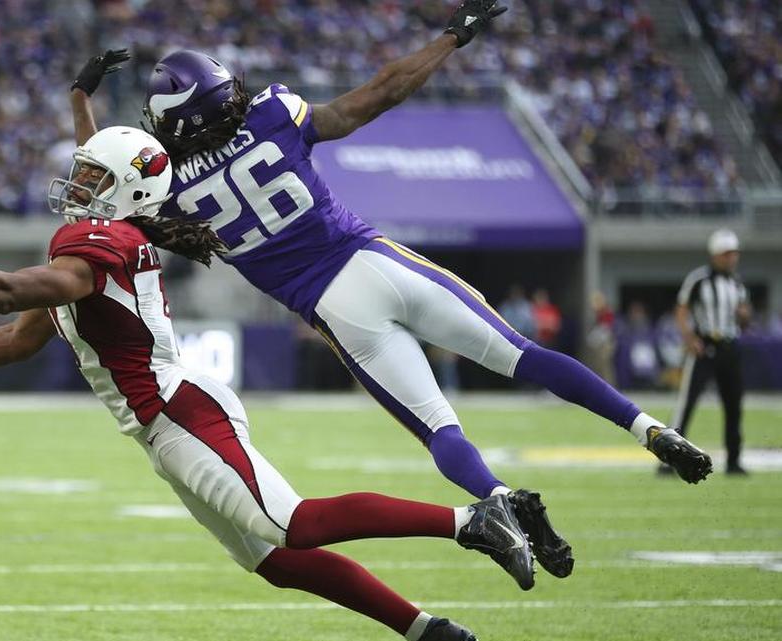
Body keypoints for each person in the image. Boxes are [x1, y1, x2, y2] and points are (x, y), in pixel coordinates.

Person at [70, 0, 714, 579]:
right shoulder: (269, 114)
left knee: (440, 429)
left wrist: (82, 101)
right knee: (523, 355)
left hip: (335, 311)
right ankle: (647, 427)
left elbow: (107, 185)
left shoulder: (170, 190)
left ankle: (500, 502)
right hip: (376, 264)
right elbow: (375, 95)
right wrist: (451, 38)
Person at [0, 126, 539, 641]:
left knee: (294, 522)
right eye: (79, 173)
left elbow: (3, 292)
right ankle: (429, 631)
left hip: (180, 412)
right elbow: (22, 333)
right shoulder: (97, 241)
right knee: (277, 561)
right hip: (163, 423)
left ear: (127, 192)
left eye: (91, 177)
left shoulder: (97, 245)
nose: (76, 186)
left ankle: (471, 520)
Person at [667, 229, 752, 475]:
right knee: (687, 403)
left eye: (734, 254)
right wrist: (690, 338)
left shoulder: (737, 283)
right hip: (705, 346)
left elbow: (744, 317)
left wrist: (745, 317)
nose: (731, 259)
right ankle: (670, 456)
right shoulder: (699, 279)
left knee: (734, 405)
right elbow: (681, 310)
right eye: (727, 254)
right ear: (715, 255)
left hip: (731, 346)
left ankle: (734, 460)